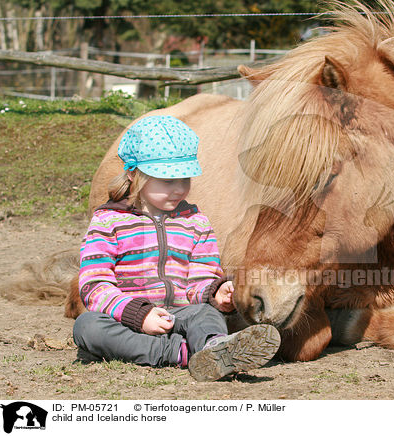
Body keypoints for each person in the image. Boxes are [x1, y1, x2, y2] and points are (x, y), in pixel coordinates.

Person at [73, 115, 280, 382]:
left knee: (207, 314)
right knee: (87, 327)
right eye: (168, 180)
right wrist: (138, 313)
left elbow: (201, 276)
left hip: (184, 313)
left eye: (185, 179)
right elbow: (94, 284)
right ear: (136, 176)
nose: (179, 189)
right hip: (129, 319)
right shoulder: (108, 221)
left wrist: (215, 292)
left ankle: (214, 346)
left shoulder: (195, 222)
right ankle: (182, 353)